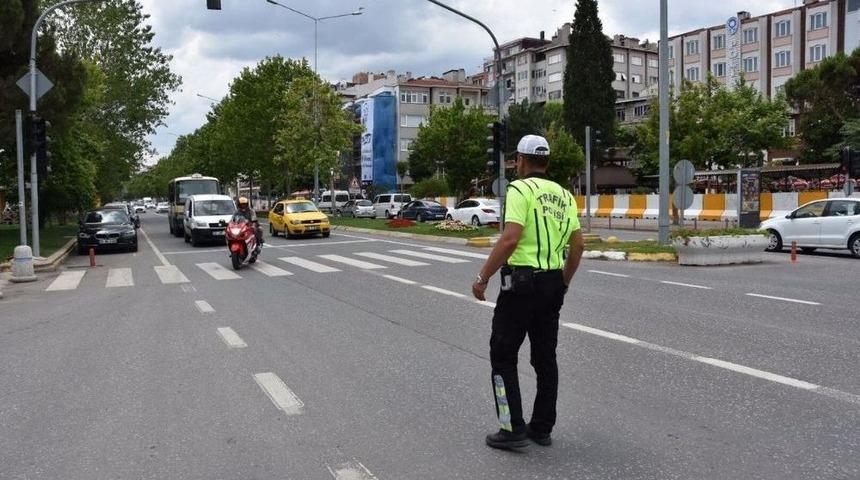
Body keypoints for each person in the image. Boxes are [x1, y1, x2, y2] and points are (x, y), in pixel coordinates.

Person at [472, 134, 585, 450]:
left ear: (521, 161)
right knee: (545, 358)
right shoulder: (565, 195)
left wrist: (482, 277)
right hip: (552, 283)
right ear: (546, 161)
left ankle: (512, 428)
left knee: (503, 354)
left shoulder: (519, 189)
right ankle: (542, 428)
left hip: (521, 285)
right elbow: (578, 245)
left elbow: (510, 239)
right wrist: (564, 282)